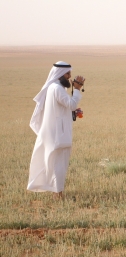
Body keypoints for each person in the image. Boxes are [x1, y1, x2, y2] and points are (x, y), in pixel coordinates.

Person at [27, 61, 85, 199]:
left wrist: (73, 113)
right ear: (59, 74)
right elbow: (71, 104)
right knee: (58, 164)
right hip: (58, 135)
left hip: (57, 133)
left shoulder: (56, 88)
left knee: (56, 164)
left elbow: (61, 110)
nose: (70, 77)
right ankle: (57, 195)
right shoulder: (57, 88)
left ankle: (57, 193)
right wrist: (77, 89)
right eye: (67, 74)